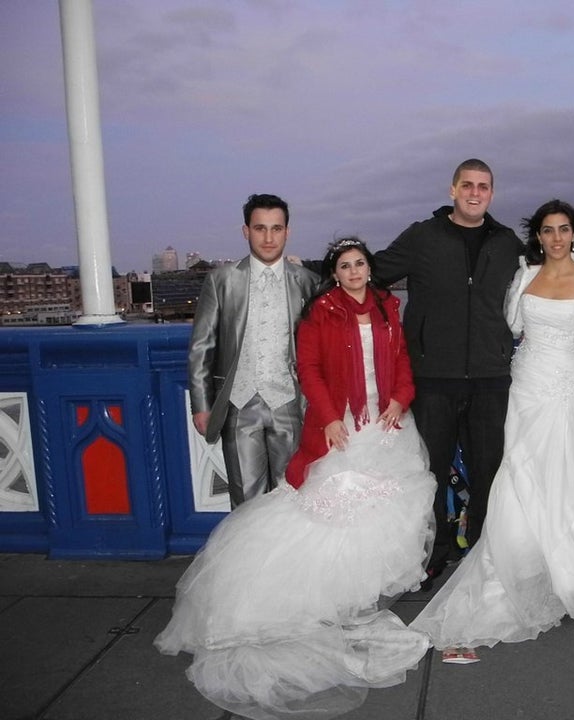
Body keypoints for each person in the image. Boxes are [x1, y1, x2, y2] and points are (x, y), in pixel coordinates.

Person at [156, 238, 436, 719]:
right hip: (342, 427)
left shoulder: (390, 307)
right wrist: (329, 419)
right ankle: (305, 599)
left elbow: (404, 360)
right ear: (335, 272)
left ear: (370, 269)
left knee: (379, 516)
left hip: (386, 426)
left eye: (360, 264)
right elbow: (307, 369)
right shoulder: (320, 312)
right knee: (328, 517)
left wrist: (400, 398)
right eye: (344, 266)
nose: (353, 272)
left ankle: (356, 600)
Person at [411, 200, 574, 659]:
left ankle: (572, 571)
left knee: (570, 478)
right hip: (526, 386)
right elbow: (510, 324)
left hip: (571, 391)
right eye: (548, 231)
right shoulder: (523, 274)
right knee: (520, 476)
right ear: (538, 236)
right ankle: (522, 564)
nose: (556, 238)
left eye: (564, 229)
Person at [375, 158, 524, 582]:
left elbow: (547, 276)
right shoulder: (423, 236)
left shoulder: (507, 242)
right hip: (433, 376)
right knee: (430, 472)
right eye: (467, 185)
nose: (475, 193)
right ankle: (434, 550)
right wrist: (319, 270)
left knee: (488, 470)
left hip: (490, 378)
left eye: (483, 186)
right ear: (452, 190)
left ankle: (481, 550)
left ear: (491, 193)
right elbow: (374, 274)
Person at [187, 193, 321, 508]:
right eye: (260, 228)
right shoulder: (221, 280)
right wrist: (201, 405)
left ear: (288, 231)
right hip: (238, 404)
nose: (269, 237)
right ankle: (248, 559)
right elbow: (201, 346)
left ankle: (288, 559)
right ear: (246, 231)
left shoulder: (308, 281)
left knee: (293, 496)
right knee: (245, 500)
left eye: (276, 228)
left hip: (290, 403)